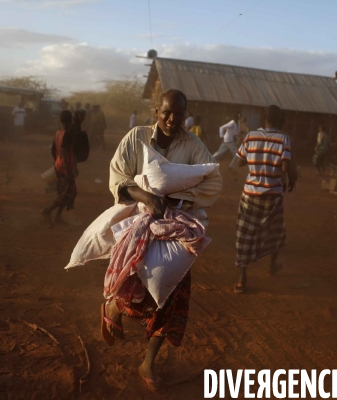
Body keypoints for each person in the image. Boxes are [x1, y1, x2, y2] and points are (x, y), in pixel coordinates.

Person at [103, 89, 222, 393]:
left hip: (175, 228)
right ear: (156, 110)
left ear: (186, 115)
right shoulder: (137, 138)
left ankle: (148, 362)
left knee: (172, 295)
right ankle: (114, 308)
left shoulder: (193, 145)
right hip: (142, 223)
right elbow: (117, 176)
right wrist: (145, 195)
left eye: (178, 114)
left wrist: (179, 196)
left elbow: (214, 180)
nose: (172, 119)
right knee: (134, 288)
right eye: (166, 112)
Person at [233, 105, 296, 294]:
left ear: (263, 119)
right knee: (275, 230)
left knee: (244, 234)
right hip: (273, 195)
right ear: (281, 120)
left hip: (250, 195)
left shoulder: (251, 136)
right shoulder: (283, 139)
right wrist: (292, 178)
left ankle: (242, 279)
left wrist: (255, 159)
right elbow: (285, 168)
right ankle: (271, 265)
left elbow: (239, 161)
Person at [41, 110, 84, 224]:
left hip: (59, 166)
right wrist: (69, 169)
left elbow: (52, 150)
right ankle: (47, 210)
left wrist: (57, 161)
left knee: (65, 192)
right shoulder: (68, 134)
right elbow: (65, 152)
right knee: (68, 194)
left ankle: (58, 217)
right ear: (71, 120)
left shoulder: (58, 133)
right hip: (66, 167)